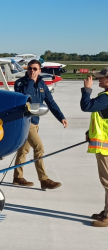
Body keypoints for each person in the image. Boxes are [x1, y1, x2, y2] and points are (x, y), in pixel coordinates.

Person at [13, 59, 68, 189]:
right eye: (29, 68)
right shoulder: (20, 83)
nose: (32, 71)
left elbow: (50, 102)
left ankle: (18, 177)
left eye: (34, 69)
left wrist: (61, 117)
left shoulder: (42, 84)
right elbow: (24, 95)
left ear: (39, 70)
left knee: (23, 150)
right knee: (39, 148)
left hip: (36, 122)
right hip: (26, 122)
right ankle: (43, 179)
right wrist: (31, 81)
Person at [80, 68, 108, 227]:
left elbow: (86, 106)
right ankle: (106, 211)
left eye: (101, 77)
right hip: (103, 144)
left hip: (105, 147)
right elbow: (101, 118)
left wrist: (87, 90)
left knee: (107, 181)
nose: (98, 80)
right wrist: (89, 132)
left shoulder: (105, 98)